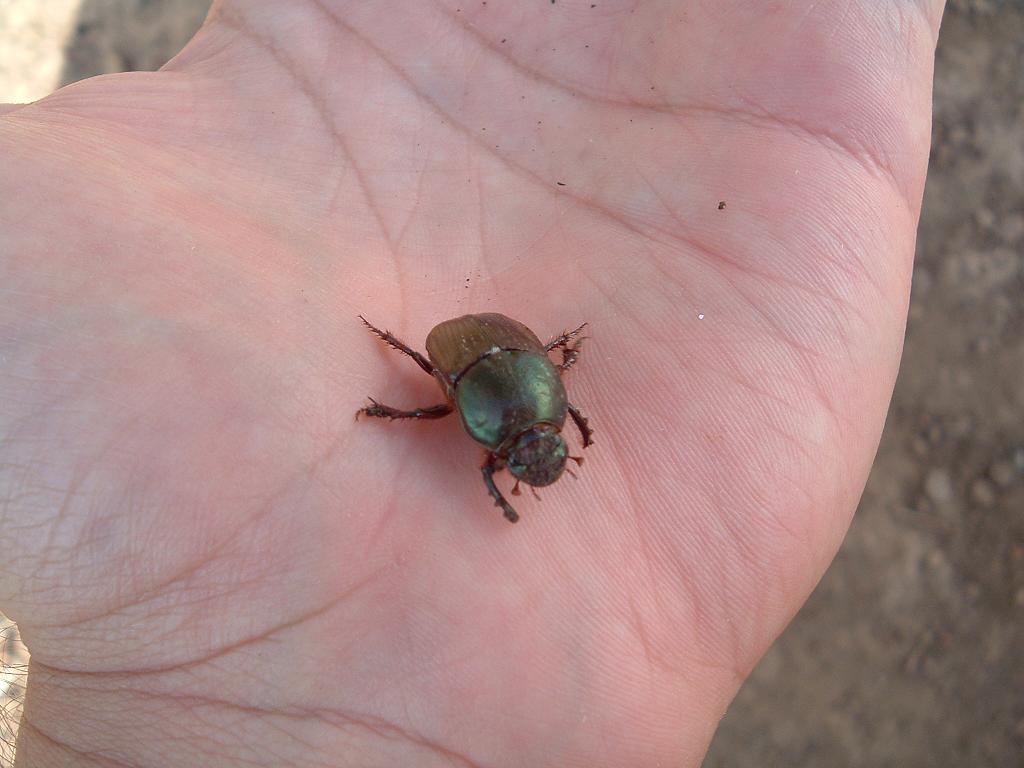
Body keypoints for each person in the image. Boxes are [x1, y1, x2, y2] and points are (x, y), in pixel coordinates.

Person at [0, 1, 945, 765]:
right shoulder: (516, 420)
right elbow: (482, 417)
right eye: (537, 453)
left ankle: (405, 384)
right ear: (530, 439)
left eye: (527, 458)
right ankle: (394, 383)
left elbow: (519, 417)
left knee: (427, 399)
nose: (529, 460)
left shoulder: (532, 415)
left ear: (526, 439)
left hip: (499, 353)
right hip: (476, 351)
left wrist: (545, 419)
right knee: (423, 396)